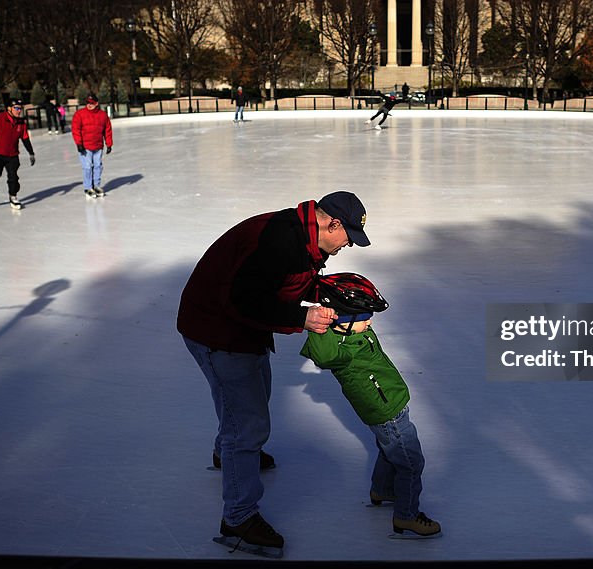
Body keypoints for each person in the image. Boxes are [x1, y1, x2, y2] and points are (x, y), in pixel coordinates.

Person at [177, 190, 371, 557]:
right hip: (217, 330)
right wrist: (301, 318)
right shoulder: (279, 239)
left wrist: (333, 295)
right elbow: (240, 299)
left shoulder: (304, 238)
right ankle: (238, 518)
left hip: (236, 328)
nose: (350, 246)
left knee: (251, 397)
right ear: (331, 223)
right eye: (349, 237)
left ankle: (227, 454)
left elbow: (284, 283)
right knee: (248, 425)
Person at [300, 272, 442, 539]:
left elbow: (352, 314)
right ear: (341, 322)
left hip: (392, 403)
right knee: (411, 464)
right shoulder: (338, 351)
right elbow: (322, 353)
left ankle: (382, 489)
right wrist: (319, 322)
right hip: (386, 413)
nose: (370, 322)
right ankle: (407, 516)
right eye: (364, 317)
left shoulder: (355, 331)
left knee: (388, 450)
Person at [0, 99, 35, 210]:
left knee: (13, 177)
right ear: (9, 108)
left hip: (12, 155)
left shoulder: (21, 123)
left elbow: (25, 138)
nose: (19, 111)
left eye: (20, 108)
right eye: (16, 108)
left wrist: (31, 153)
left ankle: (13, 196)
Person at [71, 95, 113, 198]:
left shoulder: (103, 116)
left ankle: (96, 186)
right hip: (85, 146)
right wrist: (79, 144)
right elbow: (75, 130)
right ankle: (88, 187)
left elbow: (107, 130)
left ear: (96, 103)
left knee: (98, 166)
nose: (89, 105)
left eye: (91, 103)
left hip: (98, 146)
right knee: (87, 167)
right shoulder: (79, 114)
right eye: (88, 102)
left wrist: (109, 144)